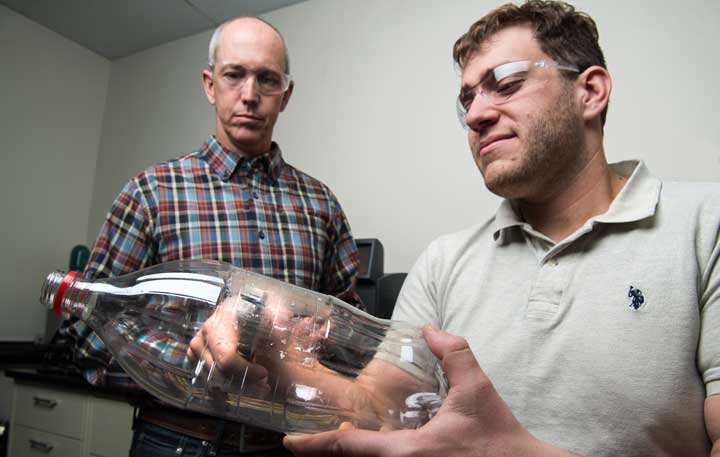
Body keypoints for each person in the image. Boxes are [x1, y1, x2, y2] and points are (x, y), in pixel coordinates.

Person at [282, 1, 720, 456]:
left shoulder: (706, 227)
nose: (475, 116)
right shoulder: (443, 261)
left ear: (589, 91)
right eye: (467, 100)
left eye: (505, 85)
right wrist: (271, 368)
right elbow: (373, 405)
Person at [59, 16, 362, 457]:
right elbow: (86, 326)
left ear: (286, 95)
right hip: (178, 441)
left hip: (290, 445)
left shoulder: (322, 204)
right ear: (209, 84)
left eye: (267, 79)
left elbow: (352, 333)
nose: (250, 95)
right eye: (234, 75)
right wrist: (190, 365)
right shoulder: (152, 192)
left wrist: (312, 343)